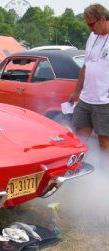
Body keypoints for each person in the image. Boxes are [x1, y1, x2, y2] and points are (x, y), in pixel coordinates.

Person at [69, 3, 109, 158]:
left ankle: (105, 177)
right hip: (86, 99)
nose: (89, 28)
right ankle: (85, 173)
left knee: (104, 143)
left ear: (103, 19)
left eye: (91, 24)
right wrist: (76, 91)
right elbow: (86, 65)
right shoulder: (92, 37)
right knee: (80, 140)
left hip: (105, 102)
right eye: (87, 24)